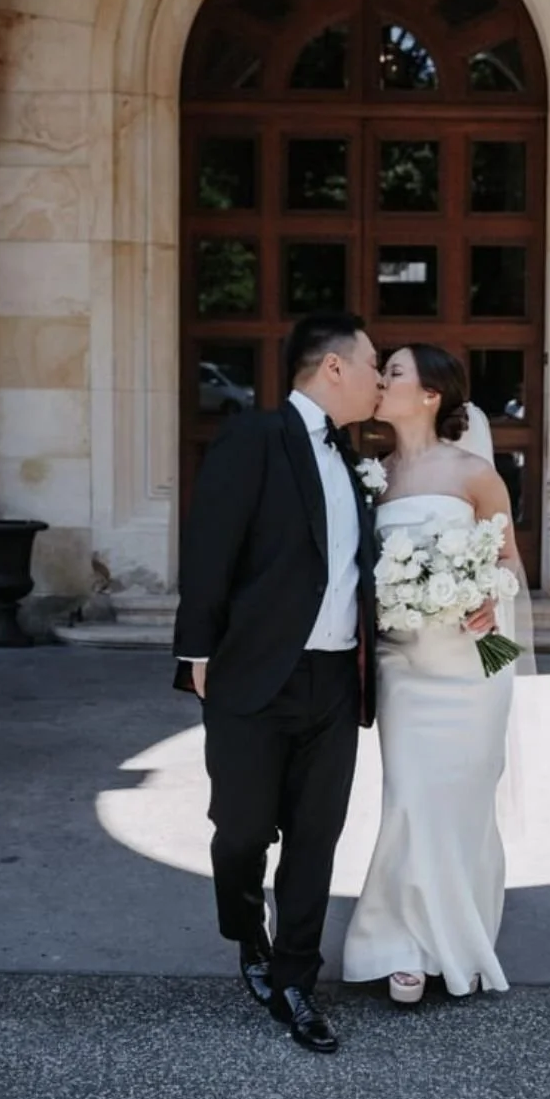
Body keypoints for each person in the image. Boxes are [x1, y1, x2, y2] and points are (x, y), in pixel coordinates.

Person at [173, 312, 381, 1054]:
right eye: (372, 365)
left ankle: (296, 977)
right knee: (241, 832)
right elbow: (209, 548)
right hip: (252, 674)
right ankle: (246, 936)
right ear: (333, 370)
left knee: (316, 839)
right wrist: (195, 651)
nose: (380, 379)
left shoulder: (357, 462)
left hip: (336, 678)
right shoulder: (254, 439)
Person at [342, 344, 529, 1003]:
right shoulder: (370, 476)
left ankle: (456, 935)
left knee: (463, 802)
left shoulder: (476, 473)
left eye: (393, 372)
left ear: (429, 395)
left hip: (475, 666)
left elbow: (509, 565)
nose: (380, 381)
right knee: (409, 799)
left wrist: (486, 596)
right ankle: (398, 944)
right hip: (404, 667)